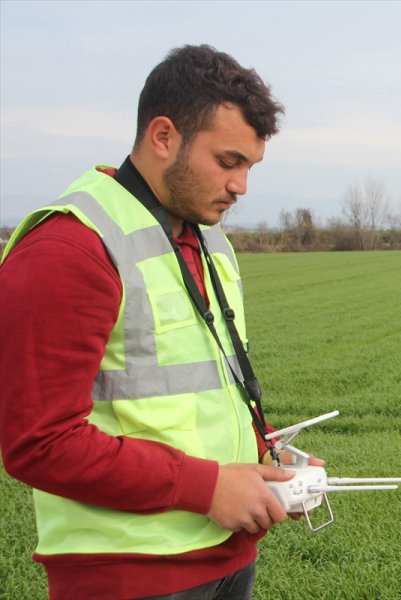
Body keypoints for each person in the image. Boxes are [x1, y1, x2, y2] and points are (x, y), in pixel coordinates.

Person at [0, 44, 319, 599]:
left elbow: (199, 391)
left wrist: (263, 456)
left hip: (226, 558)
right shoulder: (69, 247)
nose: (242, 185)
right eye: (228, 161)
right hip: (127, 577)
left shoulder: (207, 238)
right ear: (163, 136)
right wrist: (208, 486)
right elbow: (37, 442)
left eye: (250, 165)